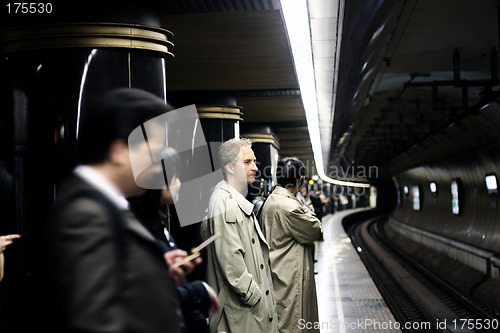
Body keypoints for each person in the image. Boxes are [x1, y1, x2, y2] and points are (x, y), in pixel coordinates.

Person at [48, 88, 196, 333]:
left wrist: (156, 272)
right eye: (154, 152)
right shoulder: (85, 215)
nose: (159, 166)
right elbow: (97, 322)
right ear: (119, 151)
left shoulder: (106, 207)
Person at [129, 154, 219, 333]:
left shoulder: (160, 225)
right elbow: (147, 297)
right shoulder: (139, 230)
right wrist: (197, 291)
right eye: (175, 177)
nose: (179, 183)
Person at [205, 138, 278, 333]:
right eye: (247, 162)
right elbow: (231, 262)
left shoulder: (233, 198)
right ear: (229, 167)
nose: (254, 167)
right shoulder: (224, 201)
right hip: (241, 312)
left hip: (247, 311)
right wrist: (255, 297)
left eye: (254, 162)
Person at [259, 157, 322, 333]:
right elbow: (314, 229)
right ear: (300, 180)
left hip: (277, 272)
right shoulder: (290, 207)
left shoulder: (272, 200)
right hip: (289, 277)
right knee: (292, 324)